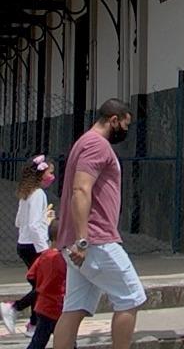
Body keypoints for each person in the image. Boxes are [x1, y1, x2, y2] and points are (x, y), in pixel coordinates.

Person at [52, 99, 146, 349]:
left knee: (74, 308)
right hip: (95, 240)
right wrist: (83, 240)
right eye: (125, 125)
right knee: (131, 297)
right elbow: (81, 189)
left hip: (81, 242)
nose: (125, 131)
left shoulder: (83, 142)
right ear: (113, 120)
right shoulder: (97, 145)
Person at [3, 155, 56, 336]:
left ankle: (33, 325)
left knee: (39, 287)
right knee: (43, 287)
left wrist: (43, 219)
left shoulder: (27, 193)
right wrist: (45, 249)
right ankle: (14, 308)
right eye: (50, 172)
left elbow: (19, 221)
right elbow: (34, 225)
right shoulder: (39, 194)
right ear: (41, 174)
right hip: (35, 247)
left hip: (24, 244)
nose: (52, 176)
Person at [24, 220, 65, 349]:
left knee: (39, 340)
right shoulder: (62, 258)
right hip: (57, 306)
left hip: (43, 305)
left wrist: (42, 284)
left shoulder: (44, 256)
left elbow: (30, 275)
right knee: (66, 338)